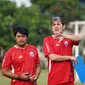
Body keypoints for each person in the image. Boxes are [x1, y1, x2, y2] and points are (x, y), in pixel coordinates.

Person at [43, 16, 82, 85]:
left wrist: (65, 36)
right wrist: (70, 57)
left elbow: (79, 38)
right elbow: (52, 57)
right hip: (54, 79)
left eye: (58, 24)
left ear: (63, 27)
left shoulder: (68, 38)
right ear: (52, 28)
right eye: (54, 25)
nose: (56, 26)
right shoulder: (47, 39)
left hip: (69, 78)